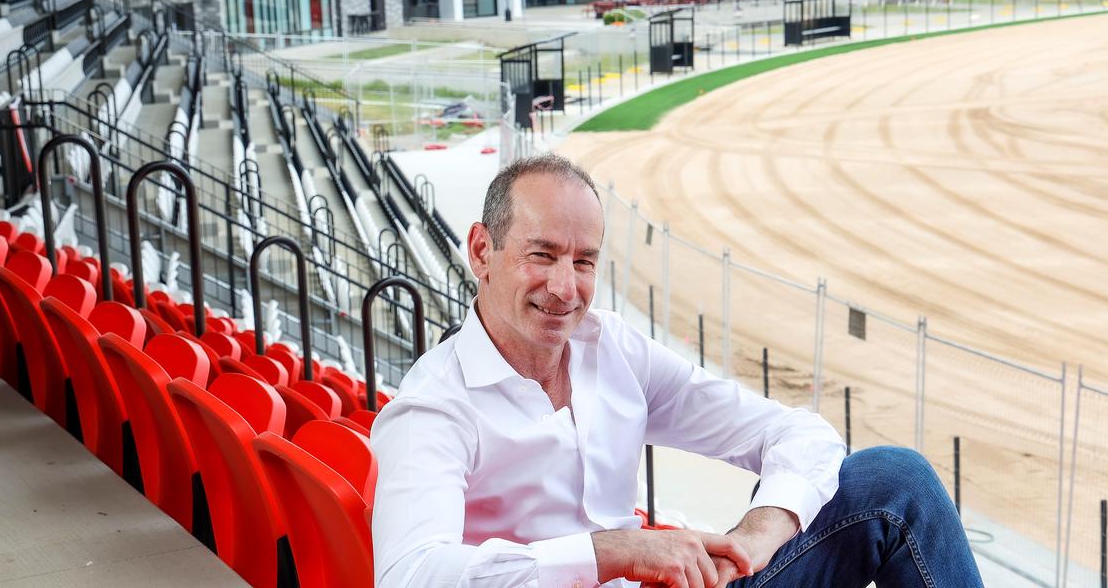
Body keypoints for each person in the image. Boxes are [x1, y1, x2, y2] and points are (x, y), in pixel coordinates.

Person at [371, 155, 983, 588]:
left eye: (584, 261)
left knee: (895, 481)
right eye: (542, 254)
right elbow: (410, 576)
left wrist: (757, 535)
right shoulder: (433, 407)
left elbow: (799, 434)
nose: (565, 287)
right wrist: (612, 553)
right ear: (482, 250)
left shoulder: (610, 350)